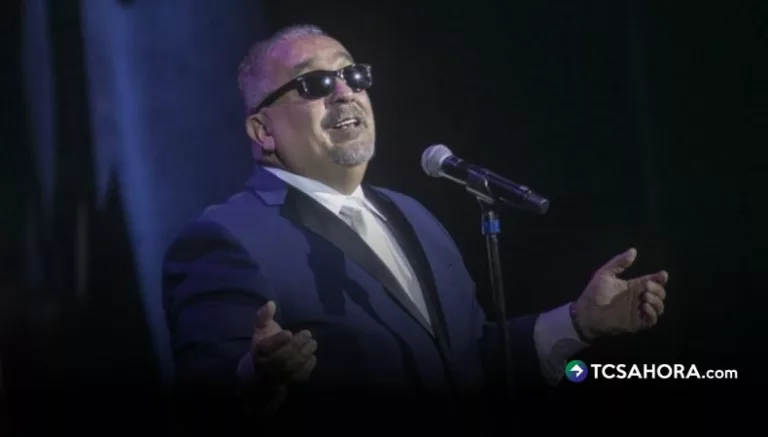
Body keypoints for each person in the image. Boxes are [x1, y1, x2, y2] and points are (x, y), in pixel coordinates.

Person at [162, 24, 668, 431]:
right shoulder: (226, 240)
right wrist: (258, 379)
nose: (345, 93)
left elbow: (470, 358)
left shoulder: (413, 215)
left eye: (353, 75)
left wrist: (579, 321)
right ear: (263, 130)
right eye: (315, 84)